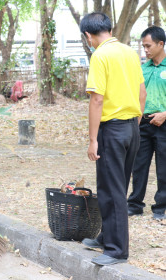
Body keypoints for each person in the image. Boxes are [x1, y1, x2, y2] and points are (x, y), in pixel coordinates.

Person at [79, 13, 146, 266]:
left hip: (112, 130)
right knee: (117, 186)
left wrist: (93, 139)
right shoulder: (129, 52)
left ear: (88, 35)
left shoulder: (100, 55)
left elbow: (97, 99)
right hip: (132, 127)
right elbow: (142, 91)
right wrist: (134, 124)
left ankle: (117, 250)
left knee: (111, 190)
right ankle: (106, 236)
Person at [127, 26, 166, 221]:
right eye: (143, 47)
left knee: (163, 168)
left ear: (161, 44)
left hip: (164, 123)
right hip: (143, 123)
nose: (146, 50)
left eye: (149, 46)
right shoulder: (142, 69)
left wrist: (165, 114)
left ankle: (161, 207)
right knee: (138, 165)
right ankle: (135, 205)